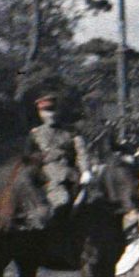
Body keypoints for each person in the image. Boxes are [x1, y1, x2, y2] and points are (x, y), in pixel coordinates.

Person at [28, 91, 92, 219]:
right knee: (60, 201)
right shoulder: (35, 134)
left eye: (52, 110)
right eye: (46, 111)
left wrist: (85, 170)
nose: (50, 115)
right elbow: (29, 158)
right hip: (48, 178)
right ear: (40, 113)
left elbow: (81, 151)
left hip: (71, 175)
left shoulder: (71, 131)